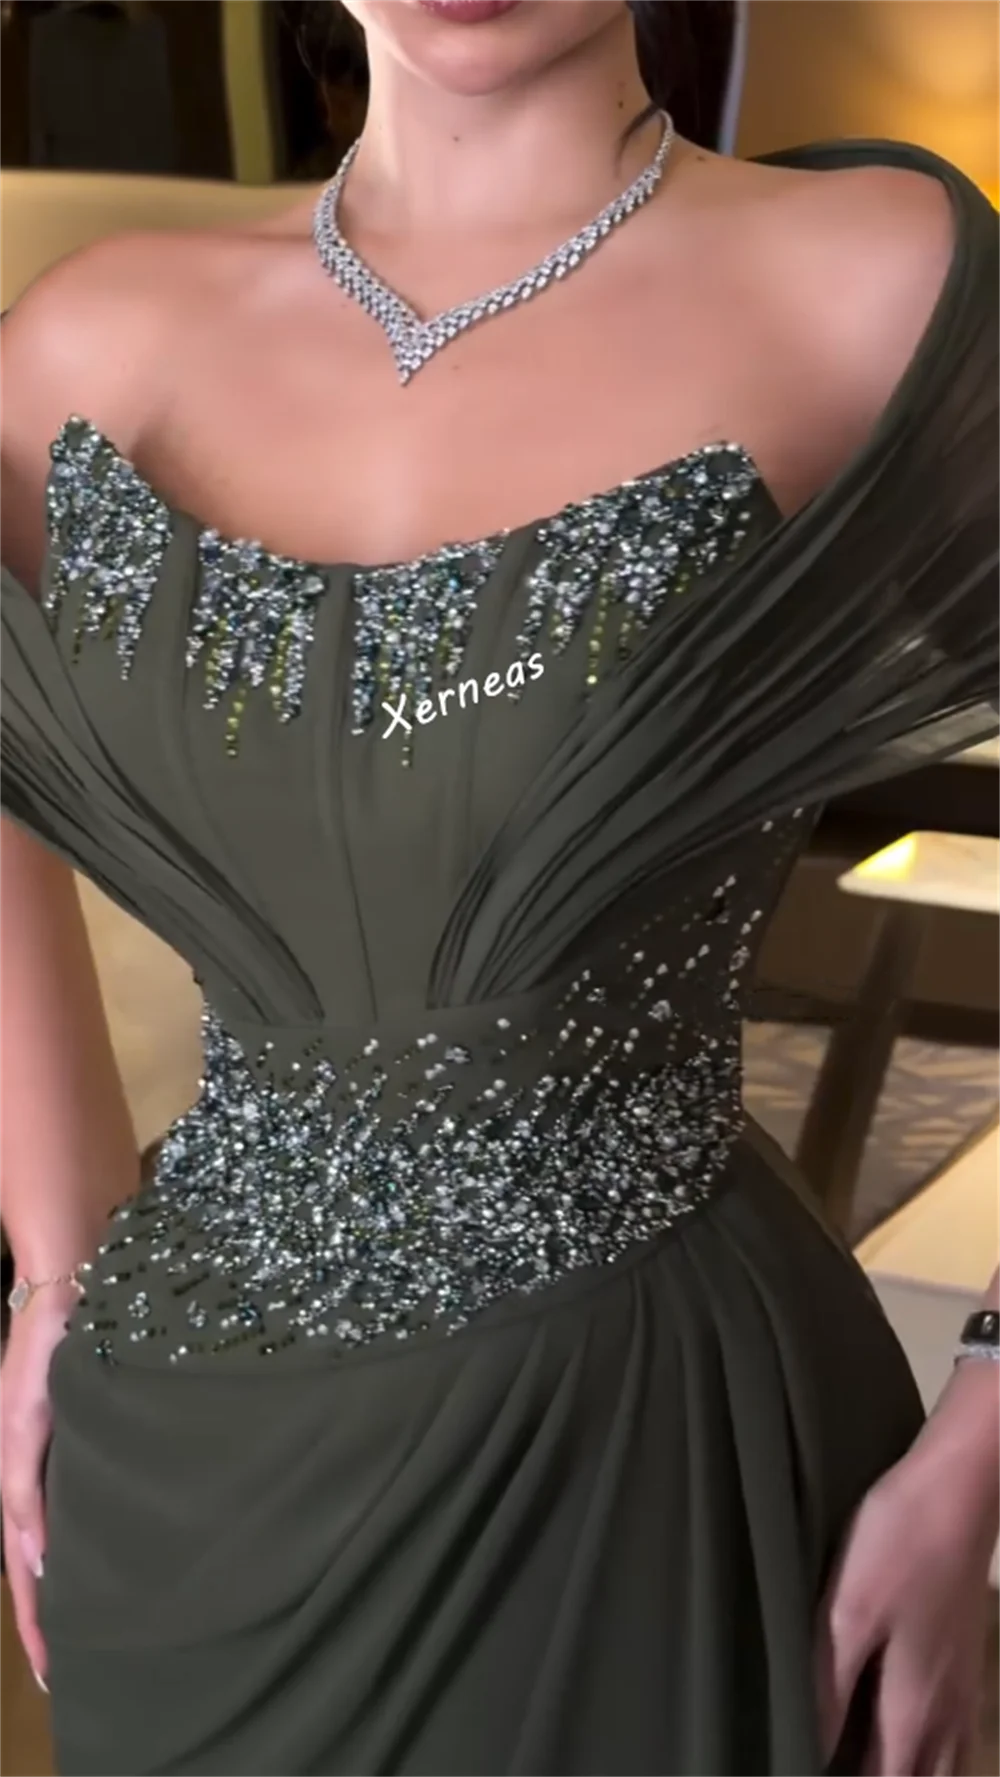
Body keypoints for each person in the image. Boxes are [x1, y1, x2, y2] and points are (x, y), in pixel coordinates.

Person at [1, 2, 998, 1772]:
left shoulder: (868, 280)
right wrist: (52, 1257)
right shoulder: (89, 334)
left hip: (645, 1449)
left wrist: (989, 1436)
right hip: (184, 1463)